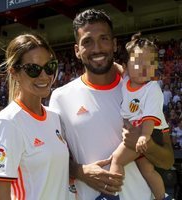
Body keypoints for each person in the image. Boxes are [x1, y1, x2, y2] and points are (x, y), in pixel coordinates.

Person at [49, 9, 174, 200]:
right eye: (87, 42)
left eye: (104, 39)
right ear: (76, 50)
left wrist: (143, 144)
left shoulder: (142, 90)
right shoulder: (60, 98)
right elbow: (52, 161)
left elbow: (167, 160)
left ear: (115, 44)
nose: (97, 48)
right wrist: (80, 171)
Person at [0, 34, 69, 200]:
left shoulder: (54, 117)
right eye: (33, 69)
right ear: (14, 73)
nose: (44, 76)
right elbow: (1, 193)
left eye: (49, 67)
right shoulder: (9, 122)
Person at [109, 33, 170, 200]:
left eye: (150, 63)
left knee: (117, 160)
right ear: (127, 66)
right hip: (141, 132)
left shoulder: (152, 88)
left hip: (149, 132)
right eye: (138, 63)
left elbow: (150, 117)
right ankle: (162, 197)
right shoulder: (127, 81)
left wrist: (144, 136)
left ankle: (111, 195)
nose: (144, 67)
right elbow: (117, 67)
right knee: (147, 170)